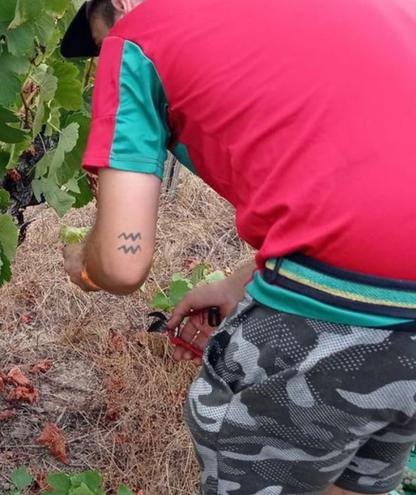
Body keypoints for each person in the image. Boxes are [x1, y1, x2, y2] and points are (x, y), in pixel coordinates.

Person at [59, 0, 416, 494]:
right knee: (353, 482)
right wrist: (243, 280)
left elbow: (122, 264)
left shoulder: (138, 36)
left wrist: (84, 266)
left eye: (100, 46)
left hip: (346, 314)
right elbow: (369, 170)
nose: (106, 60)